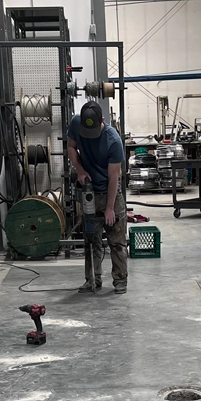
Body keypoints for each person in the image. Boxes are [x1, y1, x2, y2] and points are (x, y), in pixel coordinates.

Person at [66, 101, 127, 294]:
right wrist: (80, 170)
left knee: (116, 241)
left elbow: (114, 177)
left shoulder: (113, 141)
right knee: (91, 239)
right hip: (89, 193)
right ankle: (92, 279)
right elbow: (71, 146)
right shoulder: (77, 123)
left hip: (110, 193)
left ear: (102, 120)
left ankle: (120, 281)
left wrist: (109, 208)